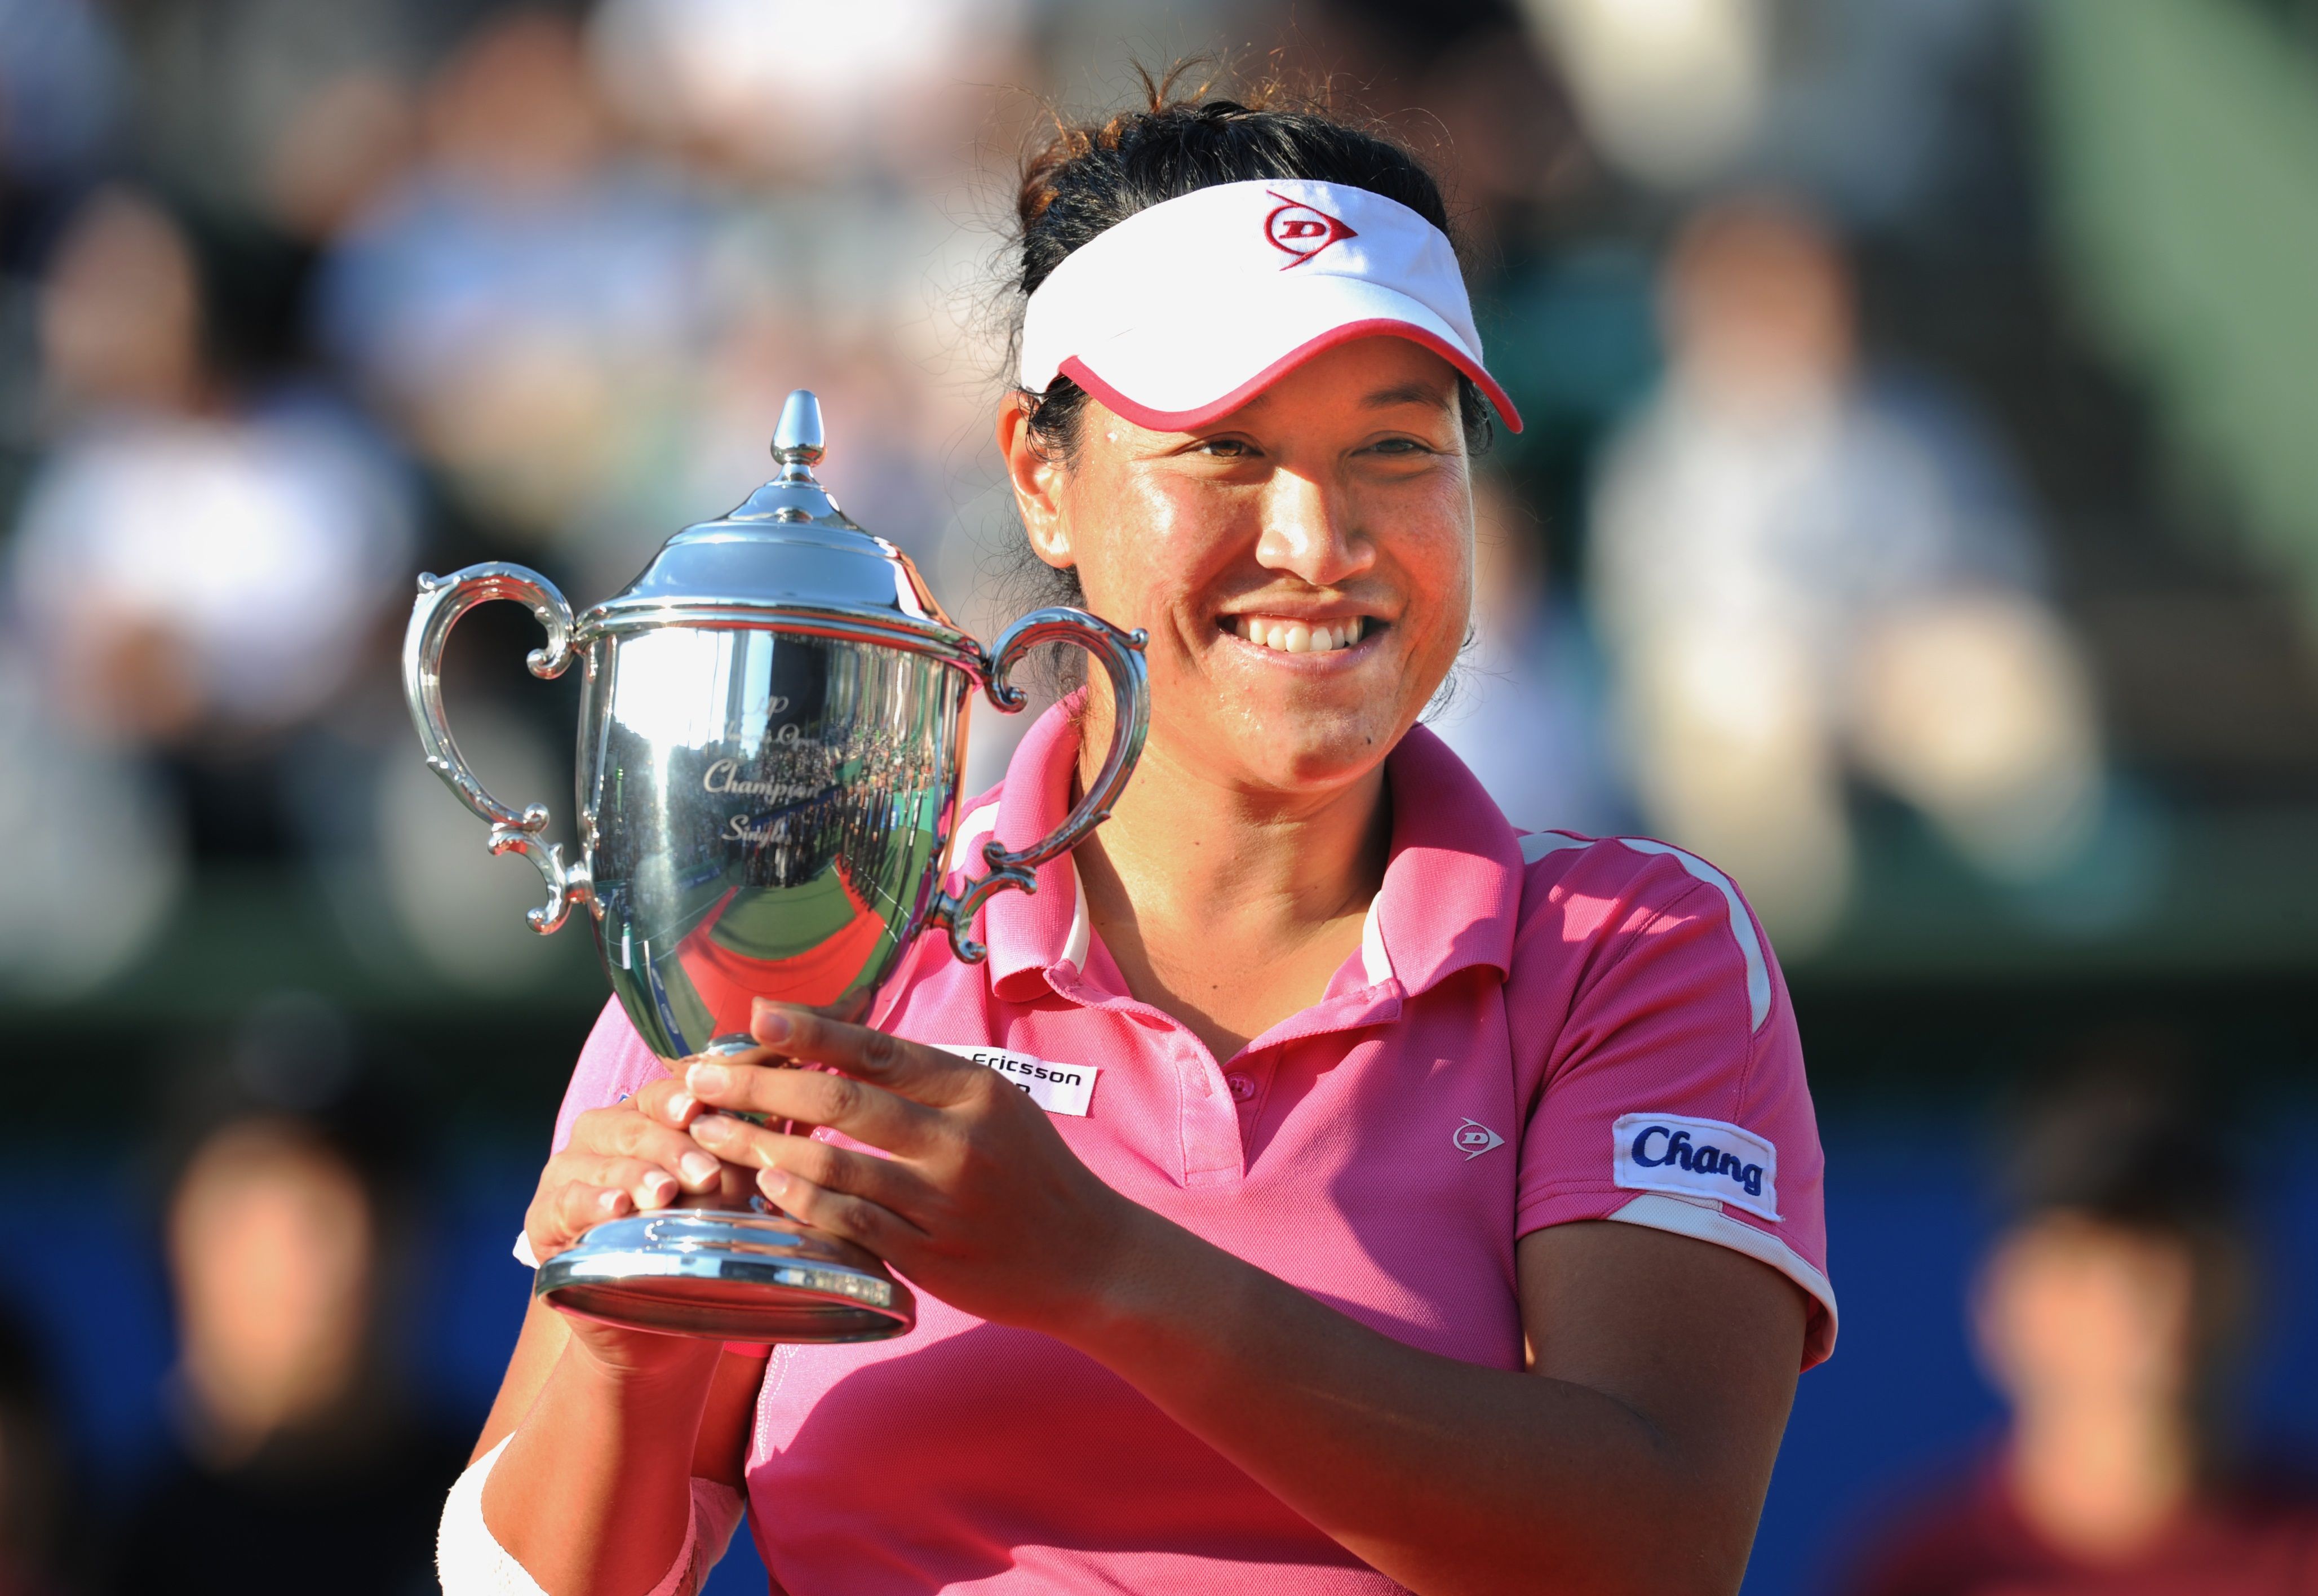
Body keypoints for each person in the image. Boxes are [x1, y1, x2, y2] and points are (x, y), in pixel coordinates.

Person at [442, 81, 1836, 1596]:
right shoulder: (800, 933)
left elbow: (1654, 1548)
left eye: (1397, 450)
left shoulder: (1633, 951)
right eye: (1226, 452)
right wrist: (628, 1337)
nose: (1321, 542)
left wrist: (1101, 1271)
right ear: (1045, 480)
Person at [1836, 1072, 2318, 1595]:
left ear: (2259, 1277)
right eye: (2102, 1252)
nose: (2164, 1295)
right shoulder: (1918, 1572)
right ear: (2004, 1298)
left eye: (2194, 1243)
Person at [114, 999, 468, 1596]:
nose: (322, 1248)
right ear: (172, 1232)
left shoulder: (520, 1533)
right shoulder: (87, 1552)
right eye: (258, 1189)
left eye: (361, 1193)